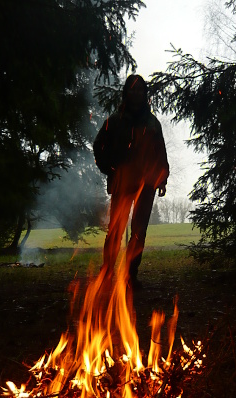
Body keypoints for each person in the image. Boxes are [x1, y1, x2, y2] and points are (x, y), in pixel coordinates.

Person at [93, 74, 169, 289]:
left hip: (146, 185)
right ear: (126, 92)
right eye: (132, 89)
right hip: (122, 183)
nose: (136, 93)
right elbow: (99, 146)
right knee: (115, 230)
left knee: (138, 232)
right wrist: (110, 170)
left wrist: (162, 179)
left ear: (145, 94)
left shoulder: (152, 124)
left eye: (140, 89)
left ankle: (130, 276)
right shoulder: (115, 121)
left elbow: (160, 152)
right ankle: (107, 272)